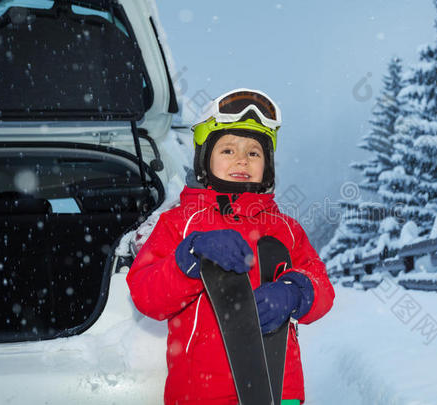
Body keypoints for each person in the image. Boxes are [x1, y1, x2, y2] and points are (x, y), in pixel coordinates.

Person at [126, 88, 335, 405]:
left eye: (254, 152)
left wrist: (295, 292)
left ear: (268, 165)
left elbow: (322, 286)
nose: (242, 159)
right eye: (227, 150)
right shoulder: (178, 224)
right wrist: (189, 258)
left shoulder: (286, 229)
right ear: (203, 159)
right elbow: (146, 295)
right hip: (202, 394)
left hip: (279, 390)